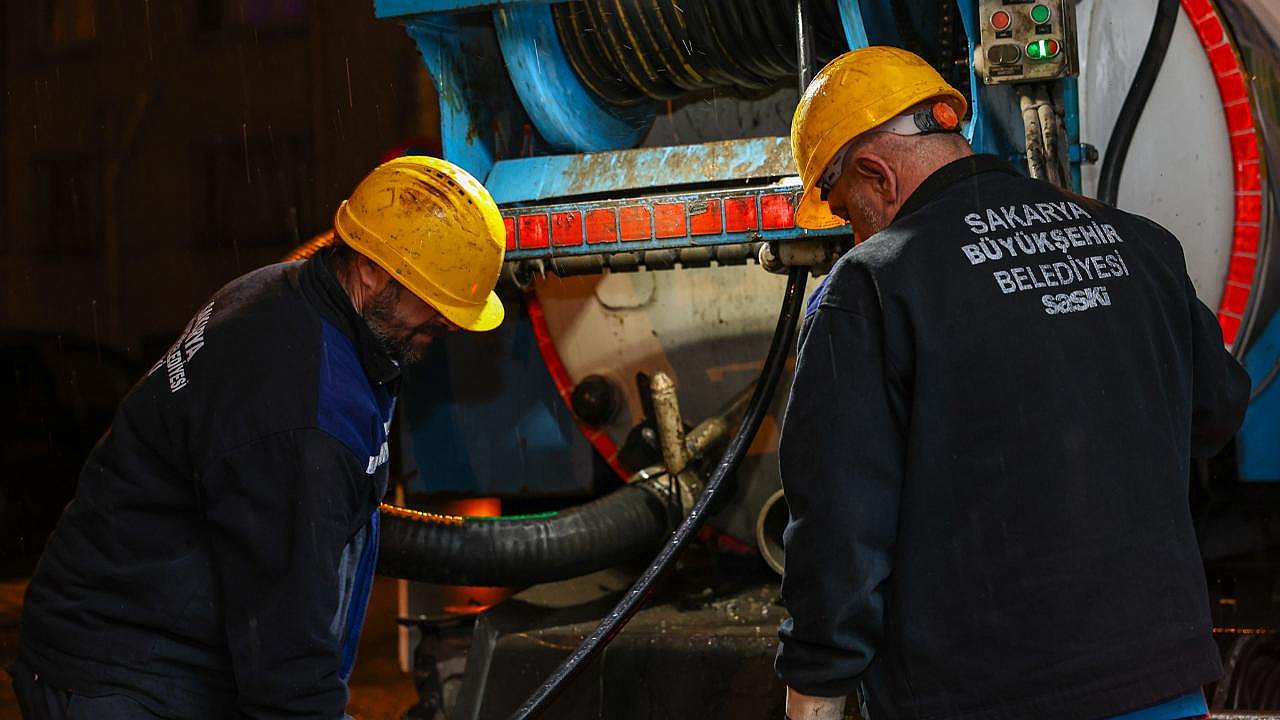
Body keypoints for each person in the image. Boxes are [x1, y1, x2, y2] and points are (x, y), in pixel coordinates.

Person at [775, 47, 1250, 720]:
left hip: (982, 696)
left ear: (876, 174)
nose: (852, 231)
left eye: (843, 205)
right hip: (1160, 683)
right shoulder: (1136, 244)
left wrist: (814, 693)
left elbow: (839, 533)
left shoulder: (870, 287)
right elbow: (1218, 411)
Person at [9, 156, 507, 719]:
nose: (447, 323)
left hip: (138, 648)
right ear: (371, 270)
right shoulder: (303, 416)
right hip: (125, 677)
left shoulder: (289, 297)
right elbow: (287, 674)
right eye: (435, 301)